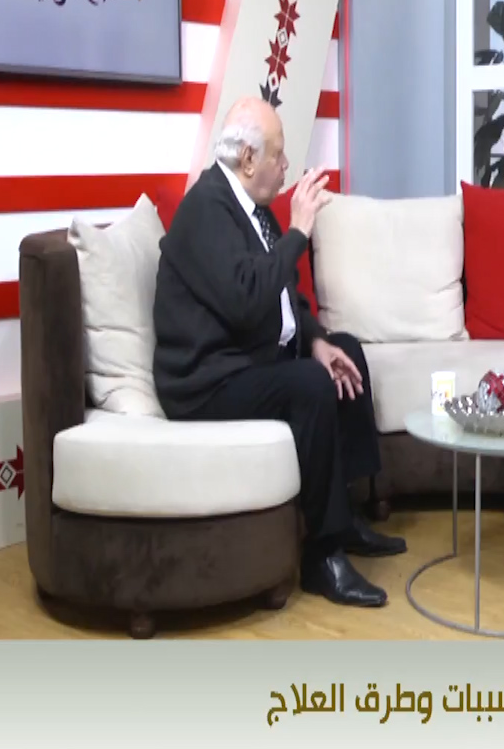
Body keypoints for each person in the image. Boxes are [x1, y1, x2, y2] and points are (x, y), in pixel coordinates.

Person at [152, 97, 405, 608]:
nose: (286, 166)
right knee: (310, 384)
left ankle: (348, 517)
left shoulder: (255, 212)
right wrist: (299, 231)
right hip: (208, 381)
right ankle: (322, 558)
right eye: (278, 155)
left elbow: (286, 296)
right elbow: (247, 301)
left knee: (344, 352)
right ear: (248, 159)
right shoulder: (206, 210)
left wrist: (316, 341)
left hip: (249, 360)